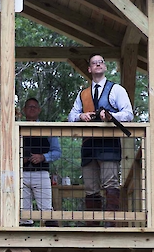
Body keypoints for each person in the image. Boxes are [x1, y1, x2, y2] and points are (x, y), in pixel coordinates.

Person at [68, 54, 133, 226]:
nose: (98, 64)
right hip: (88, 145)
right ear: (89, 69)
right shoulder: (83, 94)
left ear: (104, 67)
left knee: (110, 182)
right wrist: (81, 116)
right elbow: (71, 117)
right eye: (93, 63)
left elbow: (128, 114)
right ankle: (93, 225)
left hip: (109, 145)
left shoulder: (117, 90)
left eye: (101, 62)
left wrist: (110, 116)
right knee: (90, 186)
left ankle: (111, 224)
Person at [20, 98, 62, 227]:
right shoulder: (17, 128)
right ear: (24, 110)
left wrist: (43, 157)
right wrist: (21, 158)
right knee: (24, 214)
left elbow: (57, 152)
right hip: (22, 173)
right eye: (29, 107)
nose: (32, 109)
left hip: (41, 173)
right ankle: (26, 244)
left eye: (34, 107)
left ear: (39, 110)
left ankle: (54, 244)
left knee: (47, 211)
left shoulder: (47, 129)